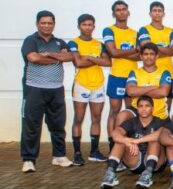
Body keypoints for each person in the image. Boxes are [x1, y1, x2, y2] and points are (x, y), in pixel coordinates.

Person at [20, 10, 73, 172]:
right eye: (43, 23)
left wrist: (49, 54)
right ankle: (29, 160)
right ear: (37, 24)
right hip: (34, 89)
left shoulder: (59, 42)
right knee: (31, 125)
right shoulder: (31, 40)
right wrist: (56, 58)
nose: (47, 26)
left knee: (58, 124)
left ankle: (59, 156)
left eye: (50, 23)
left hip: (56, 89)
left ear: (54, 24)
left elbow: (70, 57)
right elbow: (33, 58)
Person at [68, 14, 110, 165]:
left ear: (94, 26)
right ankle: (77, 153)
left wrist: (90, 58)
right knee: (78, 119)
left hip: (98, 84)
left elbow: (107, 61)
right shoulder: (74, 42)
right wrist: (97, 60)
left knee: (96, 119)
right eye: (84, 24)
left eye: (90, 24)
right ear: (79, 26)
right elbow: (78, 62)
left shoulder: (99, 44)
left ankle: (94, 152)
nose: (87, 27)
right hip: (81, 84)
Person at [100, 95, 167, 189]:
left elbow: (160, 134)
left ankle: (147, 174)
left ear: (152, 108)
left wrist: (136, 141)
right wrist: (127, 141)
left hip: (156, 163)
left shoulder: (160, 122)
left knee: (154, 140)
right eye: (141, 106)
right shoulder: (131, 122)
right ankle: (110, 173)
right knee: (120, 141)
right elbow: (115, 133)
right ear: (137, 109)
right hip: (135, 159)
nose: (144, 109)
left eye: (147, 106)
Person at [103, 0, 139, 151]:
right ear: (113, 13)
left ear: (128, 12)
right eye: (118, 10)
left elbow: (140, 56)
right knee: (114, 111)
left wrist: (121, 53)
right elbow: (113, 52)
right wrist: (133, 51)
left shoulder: (135, 33)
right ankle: (113, 144)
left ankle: (129, 143)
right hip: (116, 76)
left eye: (124, 9)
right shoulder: (108, 31)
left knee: (131, 111)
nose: (121, 12)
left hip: (132, 77)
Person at [124, 43, 172, 124]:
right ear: (141, 56)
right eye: (146, 54)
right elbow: (130, 92)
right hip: (137, 110)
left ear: (157, 56)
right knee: (122, 116)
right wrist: (152, 87)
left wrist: (138, 91)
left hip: (158, 113)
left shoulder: (164, 72)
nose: (149, 57)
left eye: (152, 54)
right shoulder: (134, 72)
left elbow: (163, 92)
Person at [137, 1, 173, 91]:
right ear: (150, 14)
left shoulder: (171, 31)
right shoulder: (144, 29)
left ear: (163, 14)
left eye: (159, 11)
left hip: (169, 72)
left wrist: (154, 47)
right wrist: (167, 50)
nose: (157, 13)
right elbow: (146, 47)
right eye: (154, 10)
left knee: (168, 99)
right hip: (150, 73)